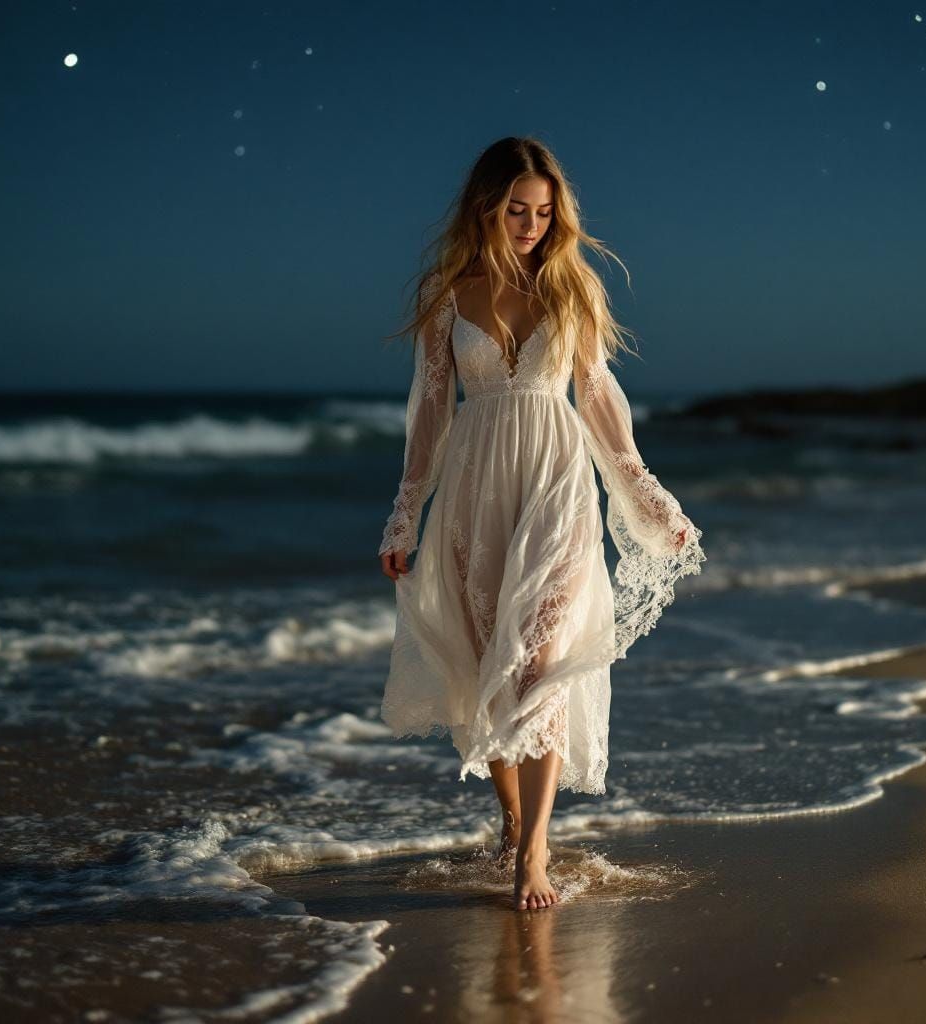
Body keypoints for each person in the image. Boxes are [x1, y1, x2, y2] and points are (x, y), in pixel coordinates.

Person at [378, 137, 706, 911]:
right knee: (488, 664)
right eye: (517, 209)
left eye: (544, 211)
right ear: (487, 207)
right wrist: (404, 515)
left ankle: (534, 854)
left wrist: (648, 496)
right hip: (475, 484)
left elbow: (596, 399)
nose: (531, 224)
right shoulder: (446, 293)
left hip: (557, 480)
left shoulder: (574, 286)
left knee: (541, 661)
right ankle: (513, 819)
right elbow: (429, 416)